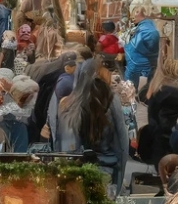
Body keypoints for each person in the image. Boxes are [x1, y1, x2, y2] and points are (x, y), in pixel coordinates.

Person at [55, 57, 130, 195]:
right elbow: (122, 145)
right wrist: (119, 182)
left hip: (77, 177)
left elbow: (65, 150)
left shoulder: (67, 104)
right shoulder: (111, 101)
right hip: (105, 175)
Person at [122, 6, 161, 93]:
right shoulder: (142, 28)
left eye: (136, 12)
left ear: (145, 13)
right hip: (136, 68)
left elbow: (146, 50)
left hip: (139, 69)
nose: (133, 16)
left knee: (136, 94)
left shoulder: (149, 31)